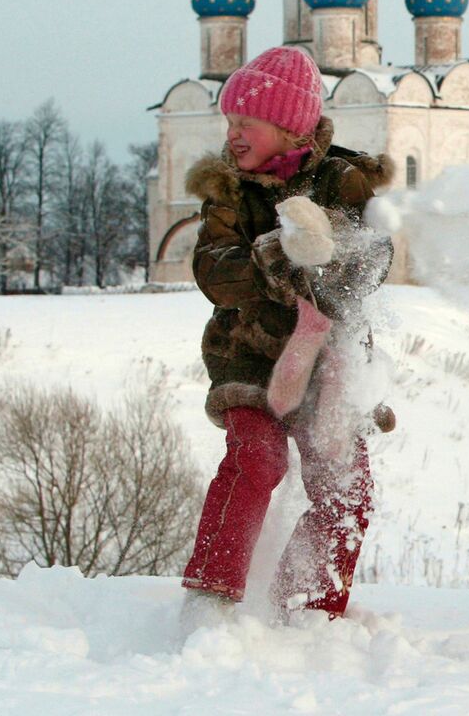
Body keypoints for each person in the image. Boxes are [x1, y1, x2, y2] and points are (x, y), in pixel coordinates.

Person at [179, 46, 395, 627]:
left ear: (286, 125)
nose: (234, 135)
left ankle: (308, 612)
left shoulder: (344, 180)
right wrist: (277, 257)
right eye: (229, 123)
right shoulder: (227, 191)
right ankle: (211, 599)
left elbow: (376, 259)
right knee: (258, 459)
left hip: (328, 362)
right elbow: (213, 270)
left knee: (345, 490)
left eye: (245, 122)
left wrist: (327, 258)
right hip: (248, 355)